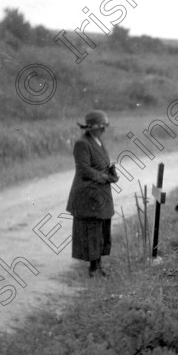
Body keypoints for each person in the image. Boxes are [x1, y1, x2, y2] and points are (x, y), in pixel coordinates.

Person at [66, 110, 120, 277]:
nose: (103, 130)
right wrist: (105, 177)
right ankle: (93, 268)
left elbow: (103, 163)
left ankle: (98, 266)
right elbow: (84, 169)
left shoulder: (98, 141)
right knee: (92, 230)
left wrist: (113, 173)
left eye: (104, 127)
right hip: (87, 193)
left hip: (100, 192)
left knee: (102, 228)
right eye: (101, 127)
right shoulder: (82, 143)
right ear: (90, 128)